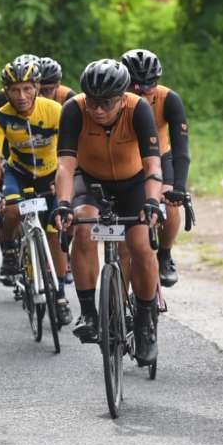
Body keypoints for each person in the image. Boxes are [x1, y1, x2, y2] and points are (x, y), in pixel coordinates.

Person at [53, 59, 164, 365]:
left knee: (141, 246)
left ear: (121, 97)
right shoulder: (74, 109)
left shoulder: (137, 108)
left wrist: (152, 203)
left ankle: (144, 322)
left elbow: (153, 165)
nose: (98, 110)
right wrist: (63, 205)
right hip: (90, 181)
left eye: (106, 103)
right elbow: (65, 164)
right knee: (84, 231)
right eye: (93, 102)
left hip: (133, 183)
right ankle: (89, 313)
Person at [0, 58, 72, 324]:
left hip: (50, 174)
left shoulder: (55, 110)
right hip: (18, 172)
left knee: (56, 232)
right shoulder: (0, 117)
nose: (21, 96)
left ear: (37, 87)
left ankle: (59, 295)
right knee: (10, 208)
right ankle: (10, 251)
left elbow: (68, 153)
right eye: (14, 90)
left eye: (27, 89)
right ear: (5, 92)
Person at [121, 48, 190, 287]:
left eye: (147, 86)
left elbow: (181, 147)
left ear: (157, 83)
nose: (140, 92)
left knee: (170, 203)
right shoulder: (112, 100)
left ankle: (165, 254)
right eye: (134, 86)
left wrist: (178, 187)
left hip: (160, 159)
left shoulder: (169, 99)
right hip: (126, 162)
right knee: (125, 237)